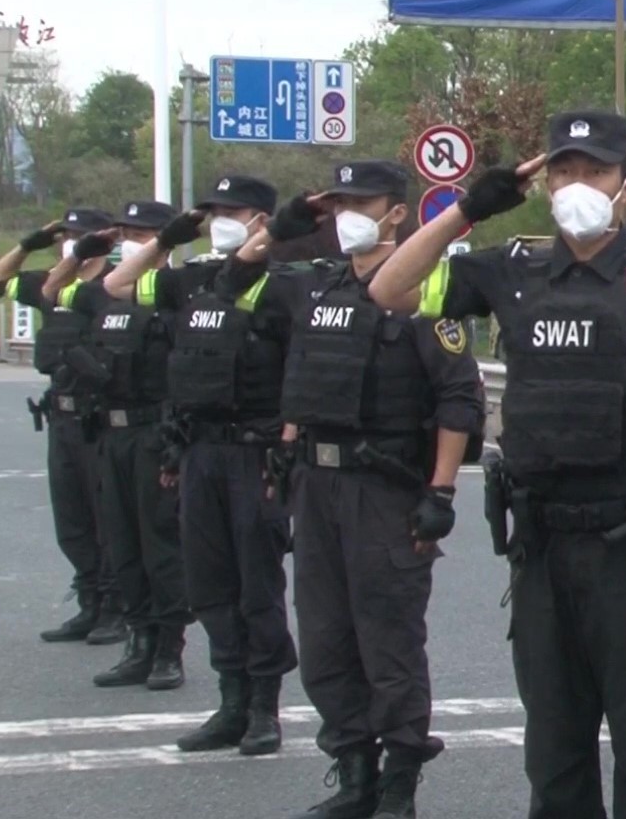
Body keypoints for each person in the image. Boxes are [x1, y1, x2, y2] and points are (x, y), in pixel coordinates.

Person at [369, 110, 626, 819]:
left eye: (595, 171)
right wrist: (467, 210)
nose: (578, 185)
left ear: (625, 185)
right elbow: (389, 289)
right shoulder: (514, 273)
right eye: (564, 171)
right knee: (554, 757)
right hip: (541, 549)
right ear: (544, 185)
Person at [225, 159, 484, 819]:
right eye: (338, 204)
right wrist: (281, 228)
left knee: (388, 642)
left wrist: (441, 494)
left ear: (395, 212)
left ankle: (399, 783)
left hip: (384, 488)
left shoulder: (423, 289)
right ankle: (353, 771)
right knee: (325, 640)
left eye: (359, 204)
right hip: (316, 485)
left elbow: (458, 400)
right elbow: (233, 284)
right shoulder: (315, 286)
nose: (346, 215)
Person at [103, 173, 295, 756]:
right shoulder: (188, 281)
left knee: (256, 584)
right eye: (212, 214)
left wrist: (286, 451)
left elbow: (302, 373)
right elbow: (116, 283)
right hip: (199, 451)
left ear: (262, 220)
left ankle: (263, 708)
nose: (219, 223)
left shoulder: (283, 284)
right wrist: (166, 238)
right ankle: (230, 702)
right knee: (210, 583)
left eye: (232, 213)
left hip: (255, 452)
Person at [43, 201, 195, 692]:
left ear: (163, 238)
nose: (131, 241)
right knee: (123, 543)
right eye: (126, 233)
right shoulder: (104, 295)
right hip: (110, 434)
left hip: (155, 432)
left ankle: (168, 648)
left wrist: (177, 444)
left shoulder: (174, 293)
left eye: (141, 234)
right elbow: (53, 293)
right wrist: (78, 254)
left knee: (160, 545)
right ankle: (138, 641)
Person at [0, 207, 128, 646]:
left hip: (101, 418)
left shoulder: (115, 285)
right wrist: (29, 244)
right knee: (72, 518)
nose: (70, 241)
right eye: (66, 235)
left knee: (108, 517)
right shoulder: (50, 284)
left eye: (79, 235)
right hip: (62, 417)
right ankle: (89, 600)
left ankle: (116, 607)